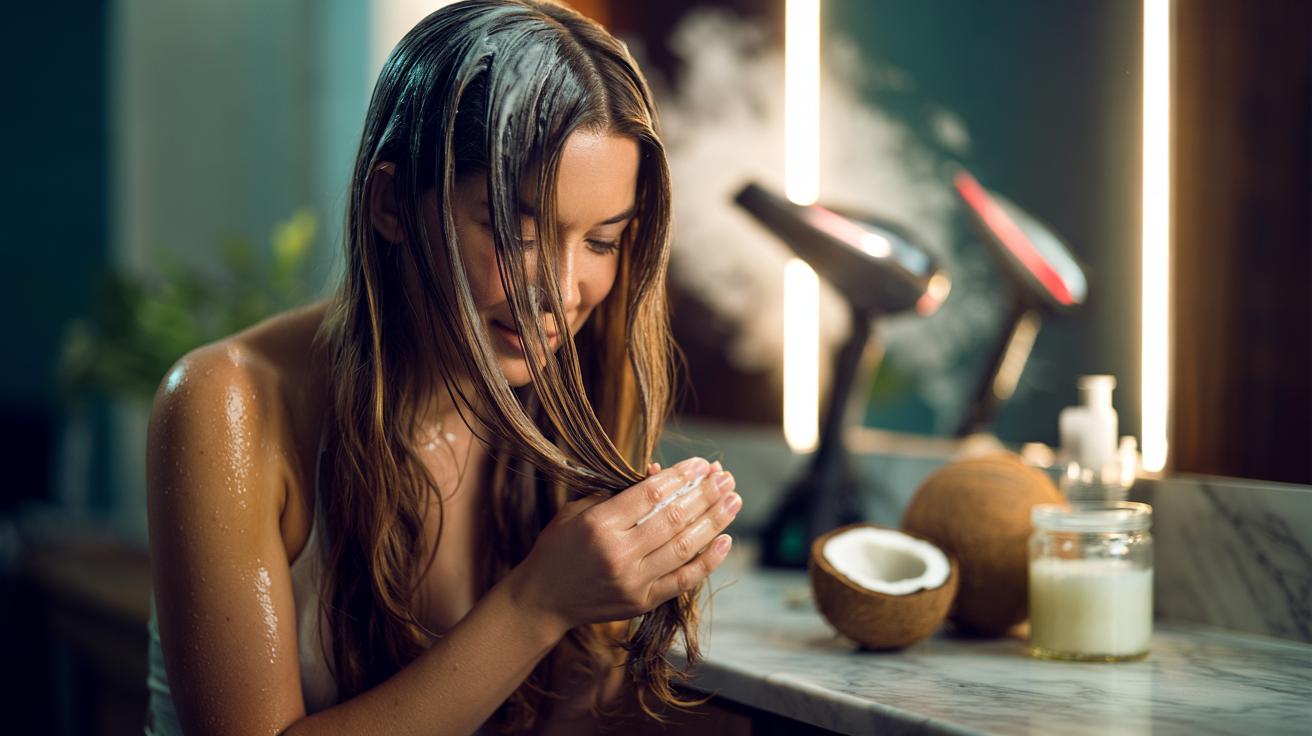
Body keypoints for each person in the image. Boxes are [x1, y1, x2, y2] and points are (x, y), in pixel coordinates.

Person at [143, 2, 743, 734]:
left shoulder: (563, 395)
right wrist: (538, 602)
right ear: (392, 204)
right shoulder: (226, 405)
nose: (559, 291)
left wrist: (627, 591)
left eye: (602, 242)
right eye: (515, 231)